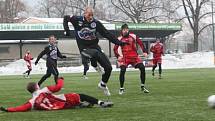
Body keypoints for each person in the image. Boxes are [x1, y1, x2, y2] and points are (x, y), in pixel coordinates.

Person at [63, 7, 128, 96]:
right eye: (89, 15)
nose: (91, 17)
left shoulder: (96, 23)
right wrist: (67, 31)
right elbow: (66, 18)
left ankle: (103, 84)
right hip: (84, 48)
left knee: (109, 68)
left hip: (95, 46)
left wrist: (119, 43)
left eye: (92, 15)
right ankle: (95, 65)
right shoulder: (77, 20)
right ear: (84, 14)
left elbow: (107, 34)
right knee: (94, 53)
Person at [0, 77, 113, 112]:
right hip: (65, 101)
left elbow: (22, 108)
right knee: (81, 95)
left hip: (59, 107)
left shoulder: (32, 101)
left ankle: (80, 105)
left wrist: (8, 109)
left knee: (72, 102)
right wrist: (60, 79)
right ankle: (101, 103)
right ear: (36, 87)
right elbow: (58, 87)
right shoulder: (43, 90)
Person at [113, 24, 149, 95]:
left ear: (128, 30)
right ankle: (121, 88)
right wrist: (118, 56)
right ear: (122, 30)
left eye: (126, 29)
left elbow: (140, 43)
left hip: (134, 57)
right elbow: (115, 48)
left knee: (142, 68)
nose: (125, 31)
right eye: (124, 30)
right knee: (122, 70)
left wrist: (144, 51)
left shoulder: (133, 36)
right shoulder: (119, 39)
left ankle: (142, 86)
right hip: (125, 58)